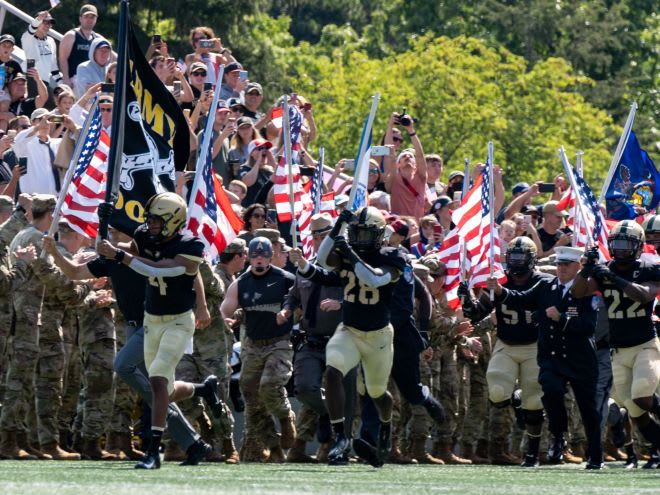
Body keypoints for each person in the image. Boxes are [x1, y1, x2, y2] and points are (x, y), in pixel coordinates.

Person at [42, 220, 213, 466]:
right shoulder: (112, 259)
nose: (110, 236)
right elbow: (75, 273)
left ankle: (190, 435)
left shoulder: (147, 254)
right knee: (160, 391)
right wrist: (54, 252)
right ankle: (195, 435)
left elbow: (191, 271)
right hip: (133, 325)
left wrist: (203, 307)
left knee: (123, 366)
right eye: (110, 232)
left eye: (115, 232)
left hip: (156, 322)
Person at [96, 192, 219, 469]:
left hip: (178, 321)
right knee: (163, 387)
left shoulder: (191, 245)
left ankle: (153, 450)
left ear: (174, 221)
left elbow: (161, 269)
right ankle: (202, 390)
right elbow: (137, 247)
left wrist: (118, 254)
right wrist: (109, 218)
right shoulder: (147, 234)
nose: (151, 225)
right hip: (152, 319)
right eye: (150, 219)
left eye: (157, 220)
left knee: (158, 382)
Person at [303, 206, 407, 466]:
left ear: (379, 234)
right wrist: (338, 223)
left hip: (378, 336)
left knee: (376, 392)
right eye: (355, 232)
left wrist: (349, 252)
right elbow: (324, 258)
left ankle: (386, 425)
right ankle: (341, 438)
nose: (359, 238)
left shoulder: (392, 255)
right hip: (349, 330)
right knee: (332, 371)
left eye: (364, 233)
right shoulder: (346, 252)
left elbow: (371, 279)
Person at [488, 246, 604, 469]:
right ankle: (558, 436)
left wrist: (560, 318)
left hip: (579, 359)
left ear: (578, 267)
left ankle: (595, 457)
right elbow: (521, 299)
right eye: (559, 264)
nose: (561, 268)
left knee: (588, 410)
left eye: (567, 264)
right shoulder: (546, 286)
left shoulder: (588, 290)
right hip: (552, 357)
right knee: (550, 390)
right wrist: (501, 292)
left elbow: (588, 327)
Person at [572, 220, 660, 458]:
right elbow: (577, 292)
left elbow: (644, 295)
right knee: (633, 408)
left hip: (645, 344)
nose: (620, 249)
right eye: (616, 244)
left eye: (625, 244)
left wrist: (614, 278)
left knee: (642, 394)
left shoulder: (649, 266)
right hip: (618, 350)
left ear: (639, 246)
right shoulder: (606, 268)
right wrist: (587, 268)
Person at [284, 213, 355, 463]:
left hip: (342, 340)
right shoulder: (306, 265)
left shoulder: (347, 266)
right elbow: (293, 294)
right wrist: (287, 309)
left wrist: (341, 304)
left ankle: (340, 446)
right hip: (310, 339)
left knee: (346, 394)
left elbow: (364, 300)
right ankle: (327, 413)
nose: (319, 239)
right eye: (315, 235)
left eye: (325, 234)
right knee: (304, 388)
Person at [221, 236, 297, 463]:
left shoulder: (285, 279)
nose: (259, 259)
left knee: (270, 385)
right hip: (253, 346)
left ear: (271, 256)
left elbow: (299, 303)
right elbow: (226, 308)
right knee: (252, 399)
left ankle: (285, 417)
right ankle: (273, 447)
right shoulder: (241, 283)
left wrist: (288, 312)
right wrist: (227, 319)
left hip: (279, 343)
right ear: (249, 258)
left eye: (264, 255)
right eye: (255, 255)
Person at [20, 11, 64, 91]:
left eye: (50, 23)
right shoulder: (27, 38)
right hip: (28, 80)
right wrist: (38, 19)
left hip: (44, 84)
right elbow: (31, 29)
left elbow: (53, 69)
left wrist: (62, 85)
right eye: (45, 22)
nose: (48, 25)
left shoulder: (51, 41)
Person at [58, 4, 99, 88]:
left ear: (96, 19)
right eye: (86, 16)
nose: (89, 19)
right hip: (74, 81)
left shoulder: (97, 38)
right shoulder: (71, 35)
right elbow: (62, 58)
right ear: (80, 18)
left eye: (92, 17)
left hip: (91, 82)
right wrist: (66, 79)